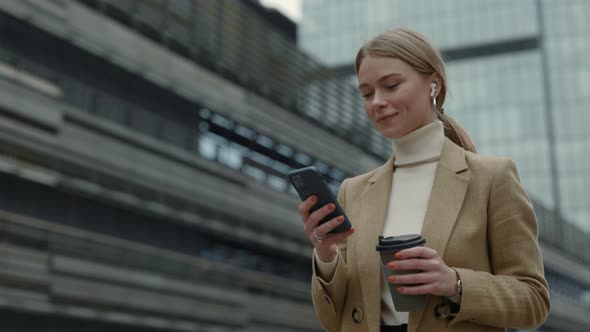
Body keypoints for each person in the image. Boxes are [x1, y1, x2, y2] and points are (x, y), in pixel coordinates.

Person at [297, 28, 550, 332]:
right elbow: (333, 319)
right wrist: (326, 255)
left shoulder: (492, 179)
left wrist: (454, 283)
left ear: (434, 85)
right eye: (366, 93)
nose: (377, 101)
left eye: (391, 85)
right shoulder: (355, 191)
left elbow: (534, 301)